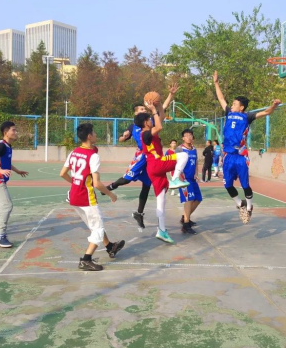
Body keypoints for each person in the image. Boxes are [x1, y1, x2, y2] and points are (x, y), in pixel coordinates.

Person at [106, 84, 179, 230]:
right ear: (135, 113)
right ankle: (111, 186)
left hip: (151, 156)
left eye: (145, 109)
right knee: (127, 178)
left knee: (146, 185)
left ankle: (139, 213)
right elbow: (121, 139)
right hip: (141, 155)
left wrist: (170, 95)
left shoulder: (149, 122)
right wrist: (123, 137)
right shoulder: (133, 126)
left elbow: (162, 109)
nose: (144, 110)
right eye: (141, 109)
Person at [214, 70, 281, 224]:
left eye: (234, 104)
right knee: (227, 185)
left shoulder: (247, 116)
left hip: (240, 156)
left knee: (245, 185)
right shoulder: (228, 113)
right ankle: (240, 204)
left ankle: (249, 207)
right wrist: (216, 83)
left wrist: (274, 105)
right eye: (232, 104)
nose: (231, 105)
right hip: (228, 156)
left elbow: (266, 112)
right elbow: (221, 98)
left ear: (241, 107)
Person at [60, 123, 126, 272]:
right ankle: (86, 259)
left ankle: (110, 247)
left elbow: (62, 173)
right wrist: (111, 194)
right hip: (86, 198)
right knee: (98, 229)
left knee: (94, 225)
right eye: (94, 133)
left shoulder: (74, 152)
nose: (96, 134)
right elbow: (96, 183)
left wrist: (76, 184)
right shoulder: (93, 156)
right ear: (89, 136)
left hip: (74, 197)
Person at [135, 100, 190, 244]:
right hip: (157, 163)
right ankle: (175, 179)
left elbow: (162, 117)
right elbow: (159, 125)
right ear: (146, 123)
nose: (151, 120)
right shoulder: (145, 134)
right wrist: (153, 110)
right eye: (149, 119)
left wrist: (161, 103)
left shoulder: (149, 131)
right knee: (183, 155)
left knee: (161, 200)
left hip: (153, 169)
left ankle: (161, 230)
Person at [0, 122, 29, 248]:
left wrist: (17, 171)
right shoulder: (1, 145)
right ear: (6, 132)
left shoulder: (7, 146)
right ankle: (1, 237)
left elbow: (5, 162)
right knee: (6, 206)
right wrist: (0, 170)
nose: (16, 132)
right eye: (13, 130)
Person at [178, 129, 201, 234]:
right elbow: (174, 164)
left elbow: (195, 162)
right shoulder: (180, 149)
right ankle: (186, 225)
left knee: (198, 199)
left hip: (192, 179)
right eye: (186, 135)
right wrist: (179, 176)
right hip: (184, 179)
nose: (189, 137)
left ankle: (185, 217)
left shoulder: (194, 149)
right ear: (183, 138)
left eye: (190, 135)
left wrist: (196, 174)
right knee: (189, 199)